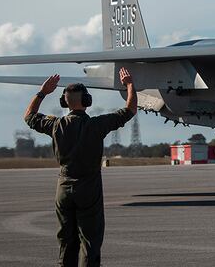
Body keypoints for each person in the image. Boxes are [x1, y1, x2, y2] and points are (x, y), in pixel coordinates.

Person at [24, 67, 137, 267]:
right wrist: (129, 84)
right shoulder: (96, 125)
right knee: (90, 242)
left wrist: (42, 92)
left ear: (63, 102)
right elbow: (129, 110)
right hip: (88, 188)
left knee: (66, 241)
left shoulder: (55, 125)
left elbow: (29, 116)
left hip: (63, 188)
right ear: (87, 101)